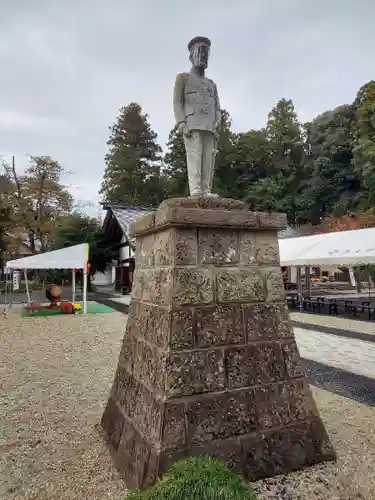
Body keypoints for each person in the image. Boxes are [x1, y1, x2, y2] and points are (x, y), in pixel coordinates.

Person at [173, 36, 221, 196]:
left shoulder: (211, 84)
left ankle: (206, 189)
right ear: (191, 56)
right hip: (192, 124)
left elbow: (217, 107)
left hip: (210, 125)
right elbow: (177, 102)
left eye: (206, 53)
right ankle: (196, 190)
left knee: (208, 161)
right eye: (199, 51)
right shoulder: (183, 78)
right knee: (194, 157)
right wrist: (181, 122)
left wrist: (217, 121)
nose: (203, 56)